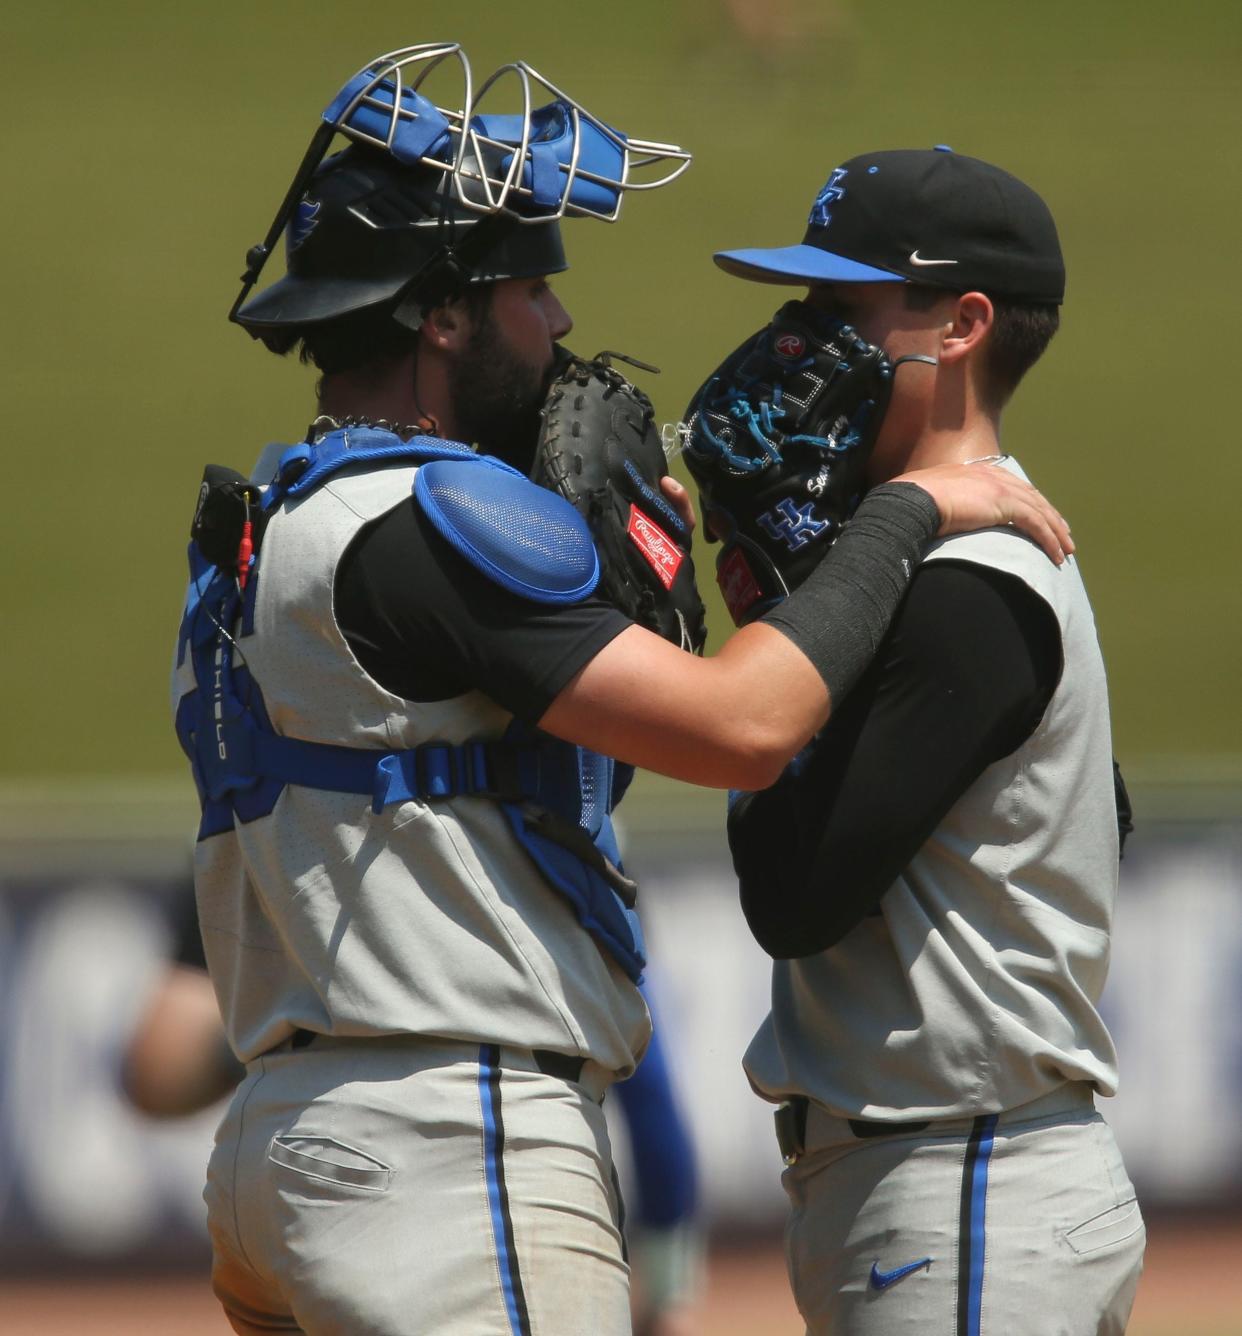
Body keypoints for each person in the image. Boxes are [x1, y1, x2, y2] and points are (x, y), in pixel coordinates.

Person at [172, 44, 1072, 1336]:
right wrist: (908, 512)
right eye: (531, 288)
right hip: (447, 1151)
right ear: (441, 312)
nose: (558, 325)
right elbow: (744, 728)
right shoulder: (432, 525)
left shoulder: (260, 530)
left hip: (277, 1145)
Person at [711, 147, 1145, 1334]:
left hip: (966, 1191)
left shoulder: (968, 581)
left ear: (962, 325)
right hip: (946, 1186)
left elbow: (794, 893)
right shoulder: (937, 562)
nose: (799, 345)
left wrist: (782, 634)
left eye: (842, 311)